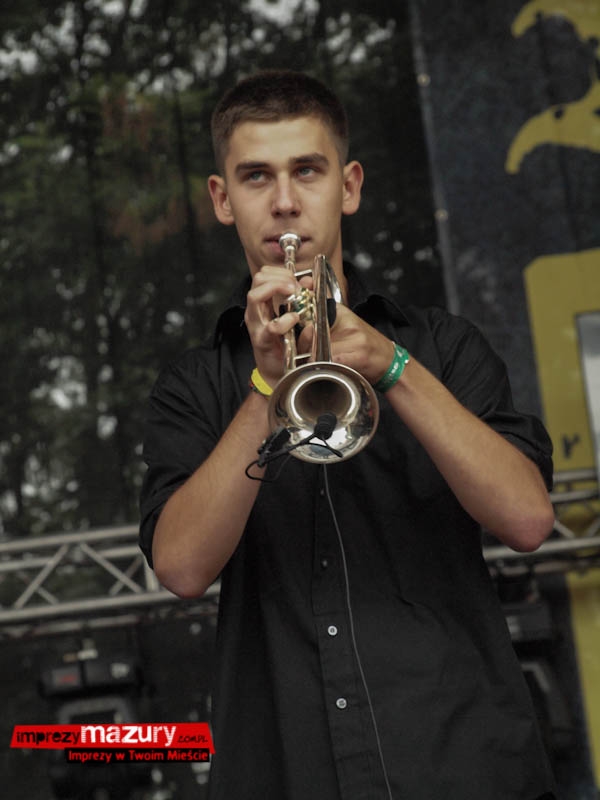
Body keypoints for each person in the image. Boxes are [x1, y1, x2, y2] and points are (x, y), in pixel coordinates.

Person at [139, 69, 557, 800]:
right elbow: (180, 567)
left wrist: (392, 366)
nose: (285, 201)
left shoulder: (443, 348)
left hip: (461, 764)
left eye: (307, 170)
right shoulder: (194, 386)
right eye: (256, 176)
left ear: (350, 186)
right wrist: (265, 390)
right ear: (222, 200)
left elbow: (527, 519)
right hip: (289, 775)